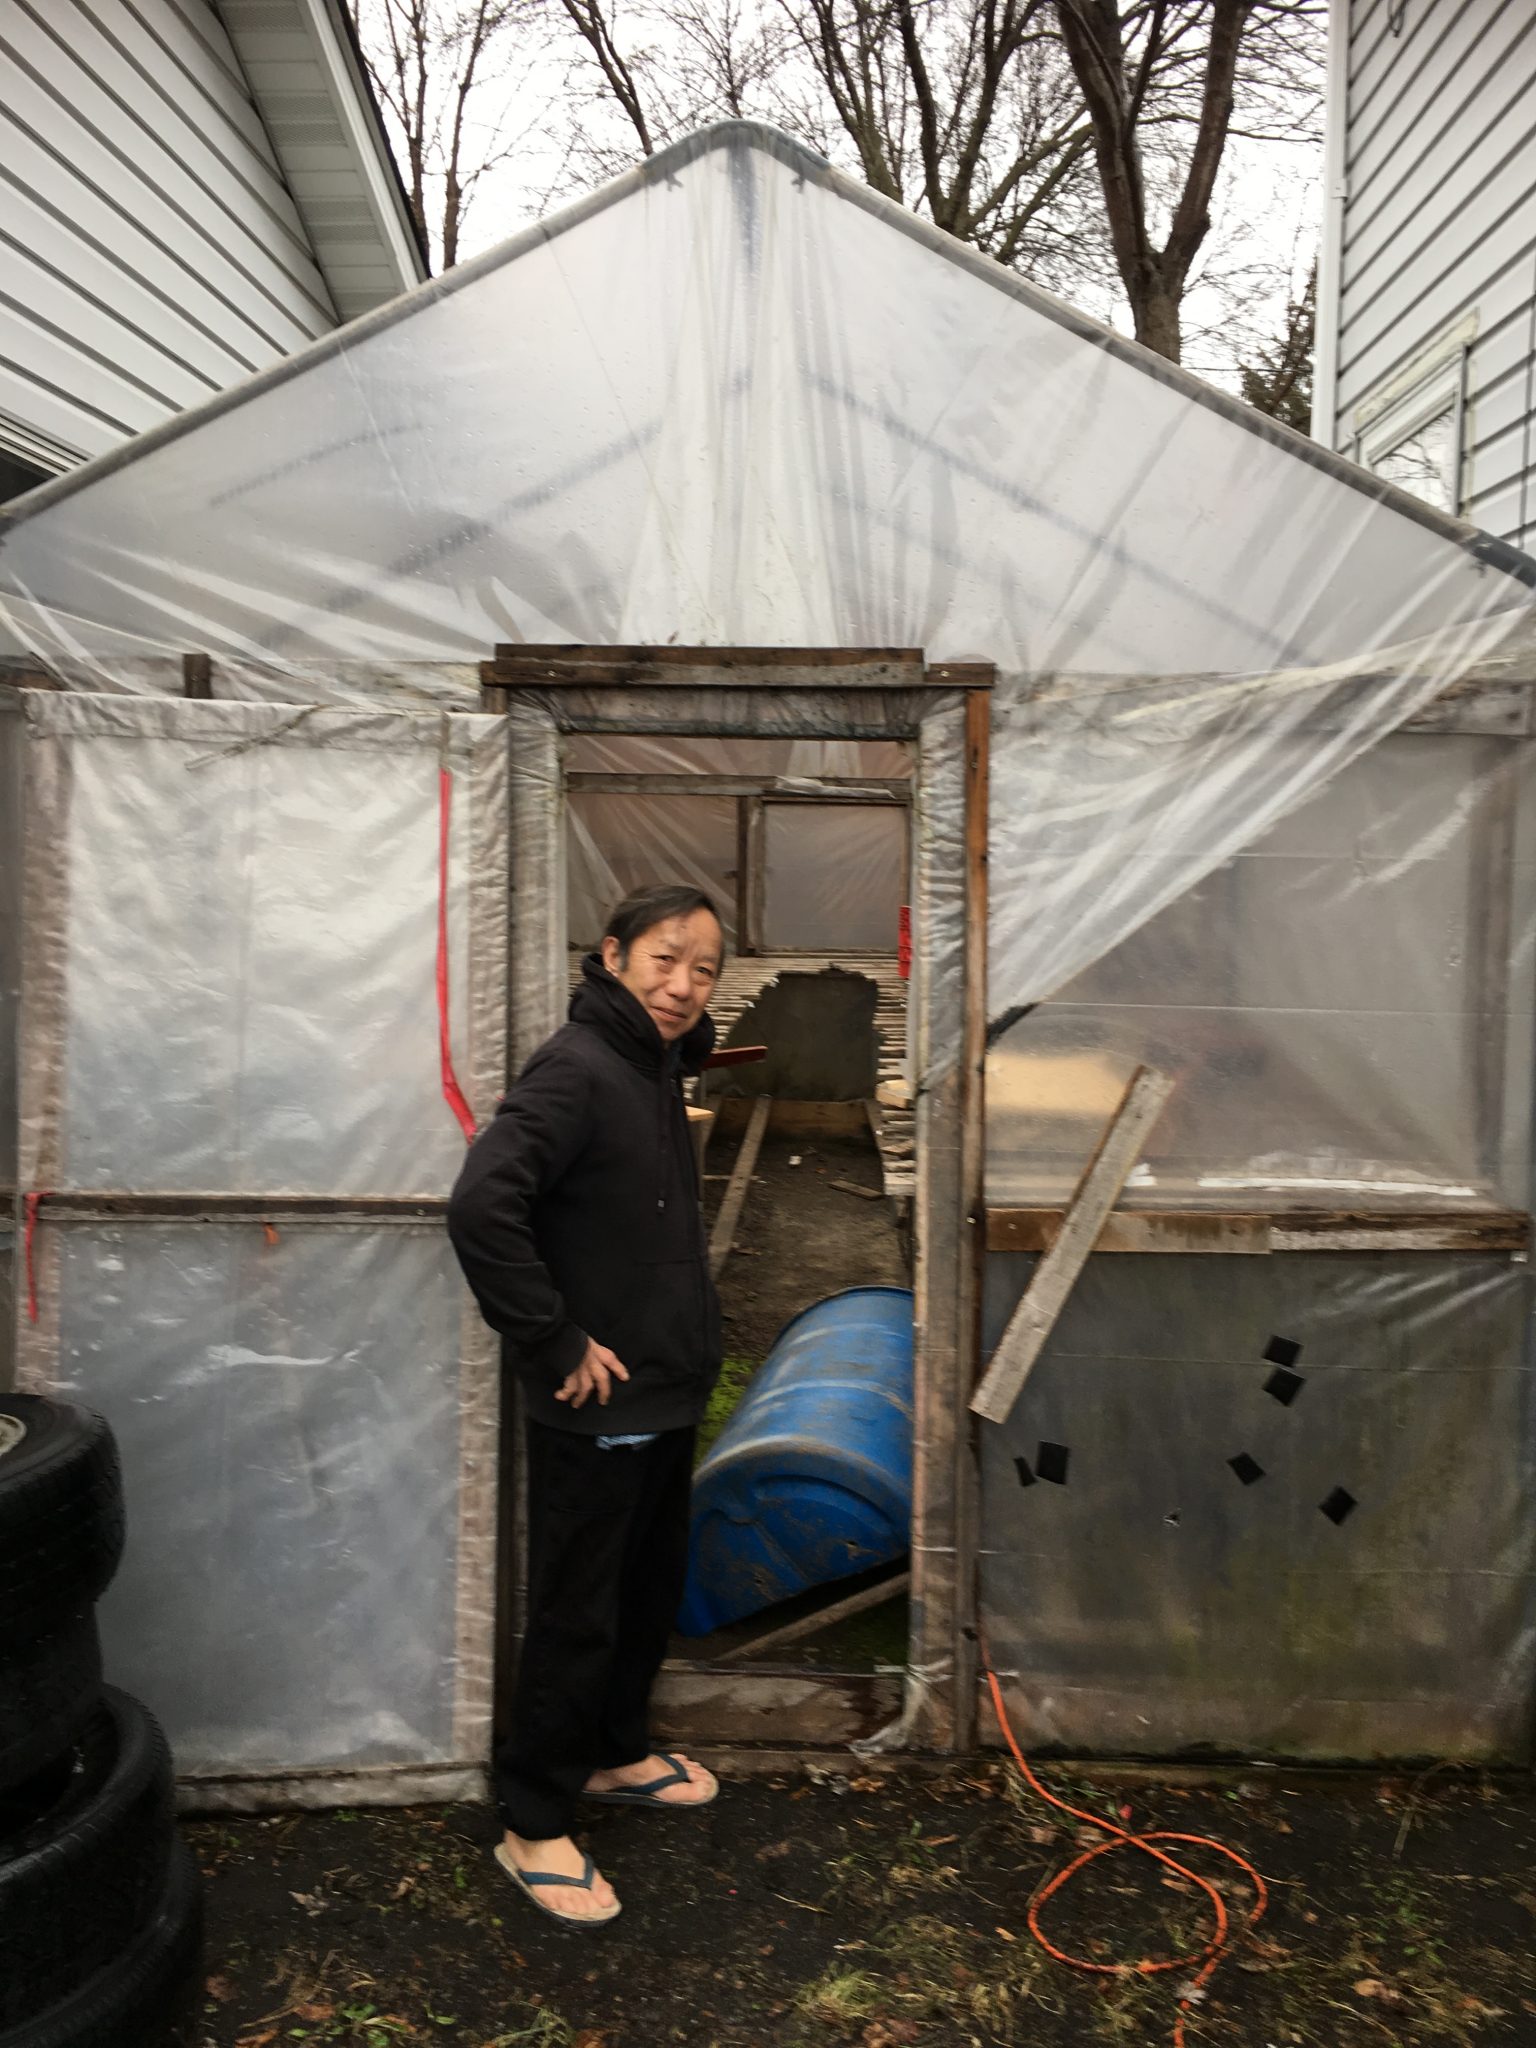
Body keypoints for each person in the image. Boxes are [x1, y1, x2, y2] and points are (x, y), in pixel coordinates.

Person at [447, 883, 727, 1927]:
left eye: (703, 969)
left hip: (663, 1383)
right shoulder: (578, 1067)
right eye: (664, 958)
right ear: (611, 954)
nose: (683, 984)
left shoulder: (651, 1066)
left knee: (644, 1586)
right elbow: (483, 1203)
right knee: (578, 1603)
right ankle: (533, 1817)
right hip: (598, 1397)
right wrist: (554, 1334)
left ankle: (612, 1751)